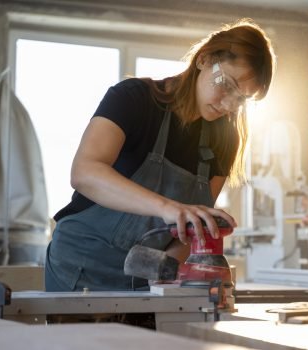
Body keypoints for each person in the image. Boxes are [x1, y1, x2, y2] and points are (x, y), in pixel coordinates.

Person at [45, 18, 276, 291]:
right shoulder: (133, 99)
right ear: (204, 59)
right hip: (80, 266)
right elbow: (85, 172)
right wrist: (167, 208)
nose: (228, 104)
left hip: (145, 277)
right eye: (226, 84)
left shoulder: (225, 138)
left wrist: (164, 273)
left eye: (240, 99)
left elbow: (191, 231)